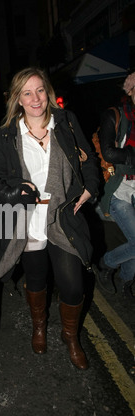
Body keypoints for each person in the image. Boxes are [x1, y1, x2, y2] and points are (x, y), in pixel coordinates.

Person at [0, 67, 99, 370]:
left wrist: (89, 190)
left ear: (47, 92)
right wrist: (13, 195)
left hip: (61, 217)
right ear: (18, 99)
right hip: (28, 221)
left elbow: (88, 160)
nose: (35, 98)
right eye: (27, 92)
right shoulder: (4, 135)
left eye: (39, 90)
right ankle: (39, 326)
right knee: (36, 279)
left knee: (73, 285)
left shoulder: (65, 122)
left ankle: (70, 336)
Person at [94, 72, 135, 300]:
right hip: (119, 189)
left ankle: (127, 280)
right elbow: (108, 151)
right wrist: (132, 155)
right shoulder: (115, 115)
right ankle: (106, 264)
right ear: (130, 91)